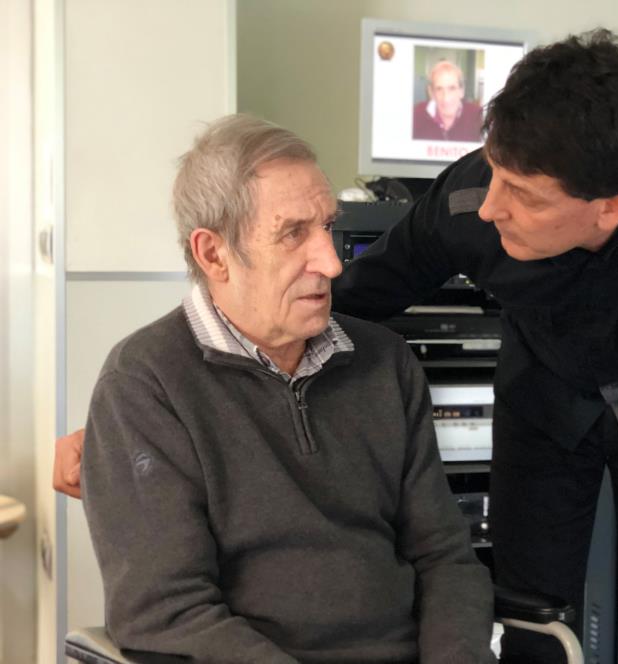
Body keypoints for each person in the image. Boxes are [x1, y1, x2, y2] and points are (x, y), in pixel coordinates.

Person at [54, 30, 618, 664]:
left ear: (607, 208)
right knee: (532, 617)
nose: (490, 206)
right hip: (548, 405)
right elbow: (339, 297)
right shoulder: (469, 200)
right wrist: (138, 422)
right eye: (493, 172)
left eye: (522, 197)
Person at [73, 115, 495, 664]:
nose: (331, 262)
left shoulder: (386, 362)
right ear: (213, 254)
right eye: (293, 233)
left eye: (328, 226)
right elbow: (167, 611)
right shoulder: (145, 384)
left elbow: (446, 559)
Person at [412, 60, 484, 142]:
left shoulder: (478, 116)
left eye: (452, 88)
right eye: (439, 89)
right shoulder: (416, 115)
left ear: (461, 91)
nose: (446, 98)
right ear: (431, 93)